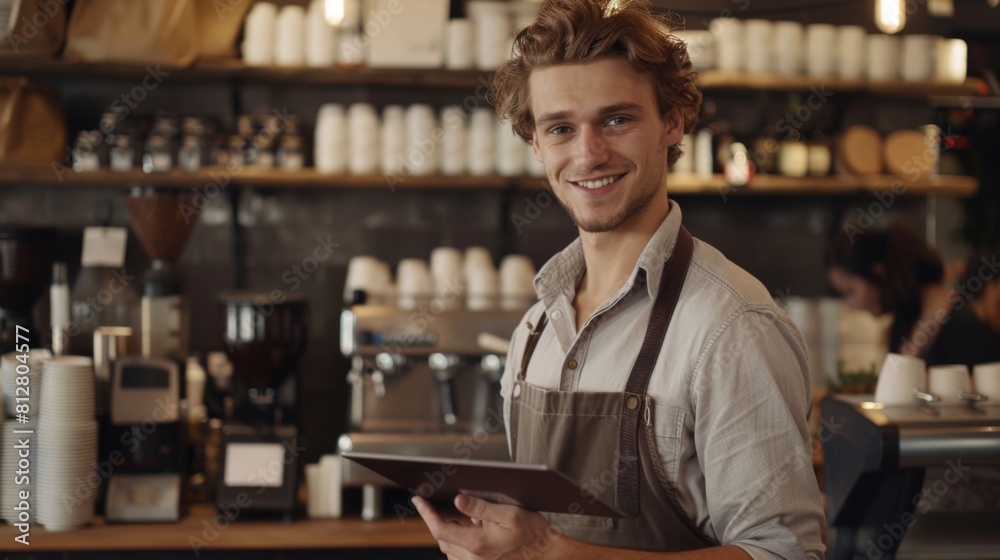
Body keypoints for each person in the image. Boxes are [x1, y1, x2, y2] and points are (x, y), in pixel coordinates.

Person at [412, 1, 826, 558]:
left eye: (617, 119)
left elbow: (784, 553)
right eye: (560, 128)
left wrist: (546, 553)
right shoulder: (535, 330)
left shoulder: (731, 326)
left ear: (672, 122)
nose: (588, 154)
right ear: (536, 145)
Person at [827, 225, 1000, 369]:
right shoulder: (903, 325)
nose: (851, 305)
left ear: (879, 272)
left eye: (850, 291)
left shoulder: (961, 327)